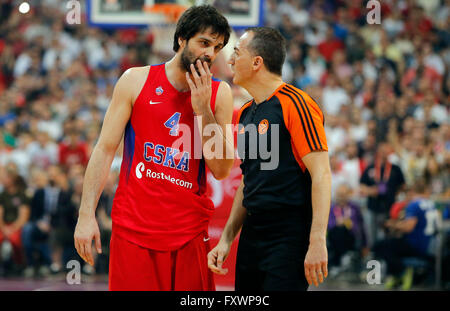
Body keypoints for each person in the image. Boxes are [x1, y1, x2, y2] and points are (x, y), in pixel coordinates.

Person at [74, 5, 234, 291]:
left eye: (218, 47)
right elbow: (104, 149)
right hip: (133, 230)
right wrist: (86, 216)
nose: (210, 53)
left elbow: (221, 170)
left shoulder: (220, 93)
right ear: (182, 39)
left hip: (189, 232)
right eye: (204, 43)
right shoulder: (135, 80)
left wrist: (202, 110)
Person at [208, 27, 332, 291]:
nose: (230, 60)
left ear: (257, 62)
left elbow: (321, 174)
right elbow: (248, 180)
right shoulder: (245, 113)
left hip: (289, 234)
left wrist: (318, 239)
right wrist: (227, 238)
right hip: (253, 233)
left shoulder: (297, 104)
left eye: (237, 53)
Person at [373, 179, 439, 290]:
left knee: (380, 246)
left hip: (416, 244)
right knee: (392, 244)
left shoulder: (414, 204)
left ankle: (402, 271)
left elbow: (409, 227)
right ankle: (397, 274)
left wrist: (392, 224)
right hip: (429, 244)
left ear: (412, 191)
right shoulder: (431, 204)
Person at [360, 141, 406, 247]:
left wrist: (394, 193)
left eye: (387, 152)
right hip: (373, 206)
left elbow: (402, 185)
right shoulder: (371, 167)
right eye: (382, 152)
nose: (384, 154)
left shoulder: (395, 168)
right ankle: (373, 255)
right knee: (372, 234)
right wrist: (370, 191)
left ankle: (384, 256)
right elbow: (362, 185)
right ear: (378, 153)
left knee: (386, 234)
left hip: (389, 207)